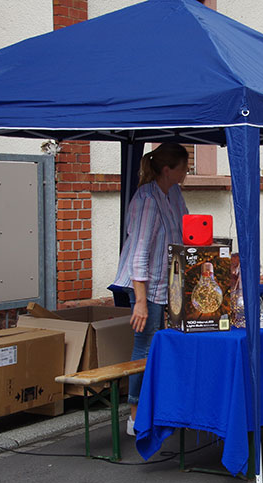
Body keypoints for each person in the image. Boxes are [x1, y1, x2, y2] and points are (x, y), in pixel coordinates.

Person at [111, 143, 189, 436]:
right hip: (145, 285)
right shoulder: (146, 199)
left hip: (168, 283)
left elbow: (186, 231)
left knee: (165, 344)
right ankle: (134, 417)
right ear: (168, 170)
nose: (187, 172)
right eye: (184, 167)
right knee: (145, 346)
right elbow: (138, 254)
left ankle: (161, 407)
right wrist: (140, 302)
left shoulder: (174, 193)